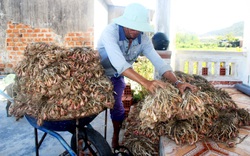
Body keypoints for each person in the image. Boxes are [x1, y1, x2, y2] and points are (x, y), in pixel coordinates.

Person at [97, 3, 197, 149]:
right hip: (98, 74)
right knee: (90, 109)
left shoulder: (143, 39)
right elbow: (120, 63)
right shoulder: (110, 32)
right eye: (132, 27)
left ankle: (115, 136)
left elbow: (159, 63)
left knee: (117, 107)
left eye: (139, 28)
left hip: (116, 76)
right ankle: (82, 135)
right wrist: (146, 83)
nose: (135, 31)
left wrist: (178, 83)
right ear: (124, 23)